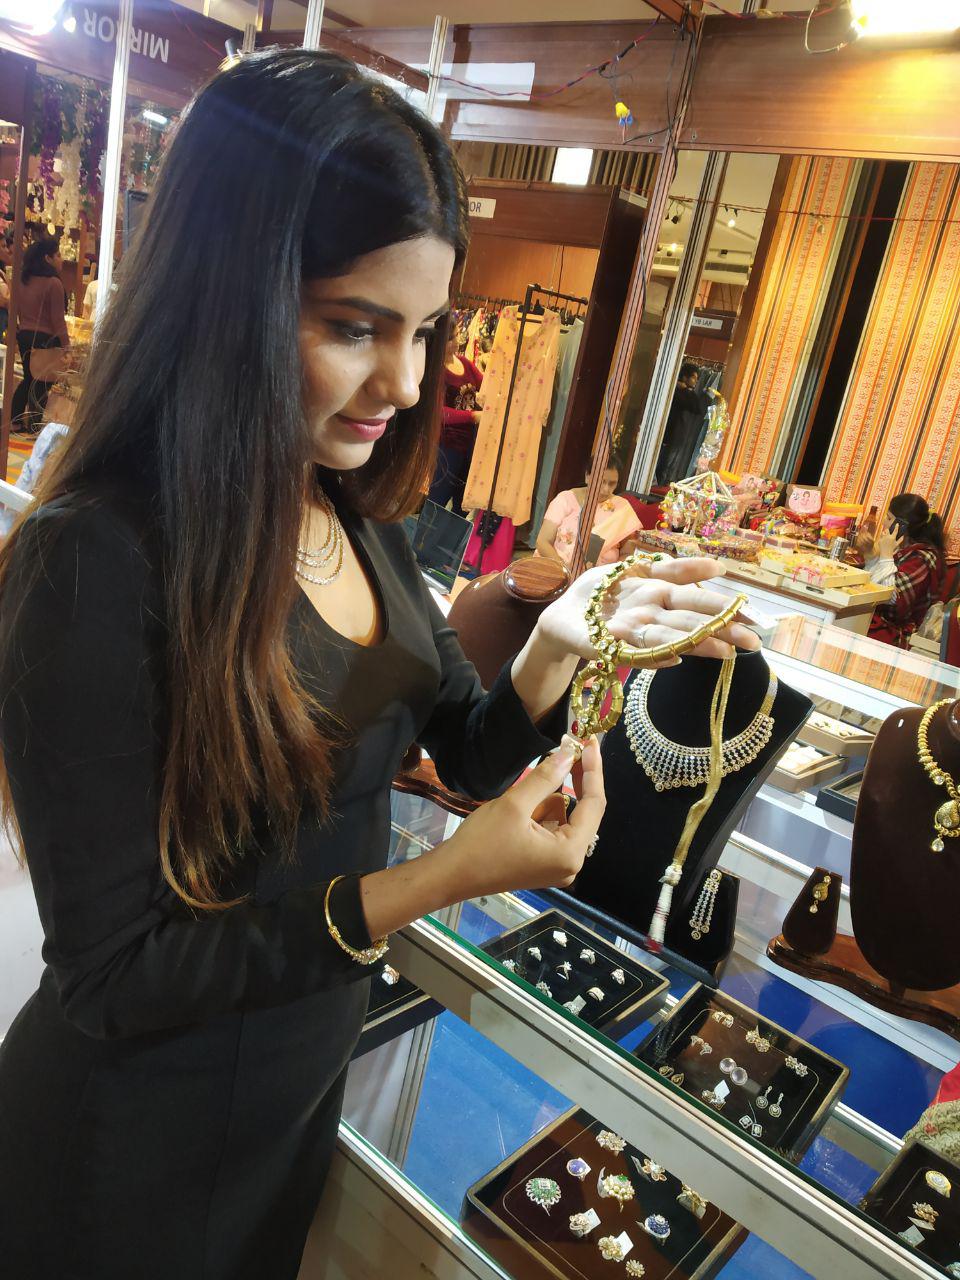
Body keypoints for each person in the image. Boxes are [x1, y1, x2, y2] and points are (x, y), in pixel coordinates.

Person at [0, 50, 757, 1280]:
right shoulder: (96, 561)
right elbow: (115, 974)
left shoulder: (353, 513)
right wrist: (434, 880)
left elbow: (467, 745)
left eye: (424, 331)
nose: (406, 384)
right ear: (227, 300)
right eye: (356, 328)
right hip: (127, 1142)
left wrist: (558, 641)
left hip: (287, 1098)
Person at [859, 493, 945, 647]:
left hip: (896, 632)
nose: (884, 522)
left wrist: (886, 556)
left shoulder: (923, 557)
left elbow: (892, 600)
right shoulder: (902, 548)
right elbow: (872, 586)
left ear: (902, 525)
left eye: (889, 518)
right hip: (876, 618)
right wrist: (870, 555)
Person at [536, 456, 642, 571]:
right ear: (587, 476)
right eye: (601, 482)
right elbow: (543, 541)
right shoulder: (565, 499)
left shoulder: (622, 507)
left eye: (612, 484)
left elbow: (628, 552)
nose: (606, 489)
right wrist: (565, 569)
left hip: (601, 575)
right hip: (559, 568)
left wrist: (612, 574)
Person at [10, 235, 69, 432]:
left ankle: (15, 420)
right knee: (42, 382)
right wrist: (67, 346)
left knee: (30, 378)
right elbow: (58, 320)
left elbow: (15, 311)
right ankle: (33, 425)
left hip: (25, 335)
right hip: (46, 339)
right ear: (47, 258)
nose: (61, 259)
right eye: (58, 255)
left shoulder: (22, 281)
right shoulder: (53, 283)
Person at [427, 332, 483, 516]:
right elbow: (438, 412)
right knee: (437, 502)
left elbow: (486, 386)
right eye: (449, 338)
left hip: (470, 446)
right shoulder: (435, 370)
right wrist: (472, 416)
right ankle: (423, 536)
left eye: (456, 335)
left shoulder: (465, 363)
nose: (456, 342)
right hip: (446, 447)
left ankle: (452, 537)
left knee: (462, 506)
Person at [655, 361, 712, 486]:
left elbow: (696, 407)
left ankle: (661, 487)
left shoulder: (685, 392)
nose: (696, 381)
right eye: (694, 378)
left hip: (677, 436)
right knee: (662, 467)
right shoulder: (675, 391)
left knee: (668, 467)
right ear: (685, 377)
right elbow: (693, 406)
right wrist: (685, 390)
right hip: (670, 434)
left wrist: (686, 389)